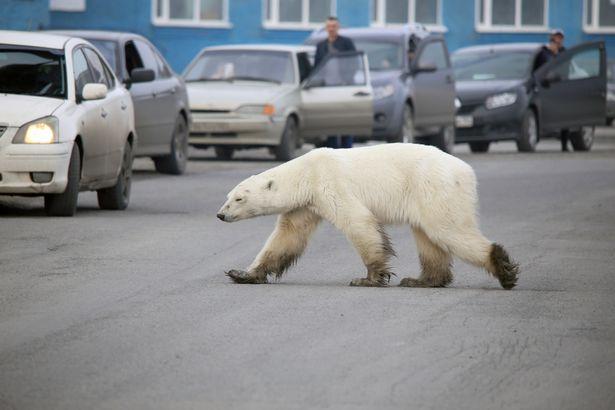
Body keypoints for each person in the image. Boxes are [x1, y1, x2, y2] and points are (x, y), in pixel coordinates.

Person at [314, 16, 356, 149]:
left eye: (334, 26)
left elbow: (354, 63)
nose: (331, 29)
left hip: (344, 88)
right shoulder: (321, 46)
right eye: (329, 27)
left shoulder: (346, 43)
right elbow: (317, 67)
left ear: (338, 28)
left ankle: (347, 149)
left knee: (347, 121)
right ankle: (332, 150)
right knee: (331, 122)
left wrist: (347, 80)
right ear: (326, 28)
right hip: (327, 89)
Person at [533, 29, 570, 151]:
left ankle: (564, 144)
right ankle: (535, 140)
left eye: (560, 38)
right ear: (551, 39)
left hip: (561, 88)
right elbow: (537, 70)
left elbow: (566, 68)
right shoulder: (543, 53)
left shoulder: (564, 52)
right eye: (556, 38)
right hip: (546, 88)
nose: (558, 40)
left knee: (565, 117)